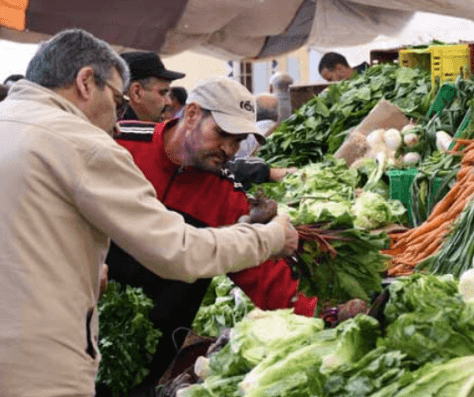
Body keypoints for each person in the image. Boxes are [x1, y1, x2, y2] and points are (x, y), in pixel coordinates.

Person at [0, 29, 297, 397]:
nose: (117, 115)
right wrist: (270, 236)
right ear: (85, 82)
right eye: (117, 98)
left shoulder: (9, 124)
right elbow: (179, 250)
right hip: (42, 365)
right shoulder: (93, 144)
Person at [109, 77, 315, 394]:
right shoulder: (120, 146)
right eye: (222, 134)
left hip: (152, 352)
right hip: (78, 331)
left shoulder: (225, 196)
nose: (229, 149)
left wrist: (325, 315)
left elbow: (265, 276)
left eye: (238, 140)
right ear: (191, 114)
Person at [120, 51, 185, 122]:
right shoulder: (120, 131)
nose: (169, 102)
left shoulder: (114, 127)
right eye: (163, 93)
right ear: (136, 93)